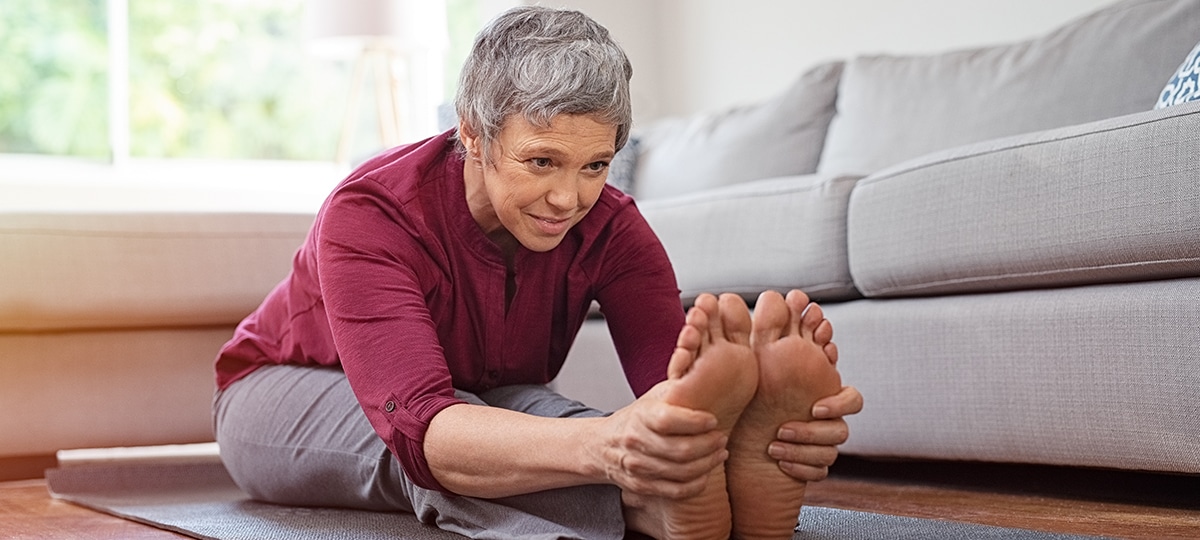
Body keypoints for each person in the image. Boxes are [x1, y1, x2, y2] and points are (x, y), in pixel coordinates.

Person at [213, 6, 862, 539]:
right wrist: (610, 447)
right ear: (473, 134)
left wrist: (749, 432)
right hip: (285, 391)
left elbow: (674, 395)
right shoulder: (372, 213)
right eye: (542, 161)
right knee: (467, 449)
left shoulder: (613, 227)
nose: (568, 199)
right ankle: (645, 509)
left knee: (566, 424)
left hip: (481, 396)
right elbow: (423, 424)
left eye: (594, 165)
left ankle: (683, 497)